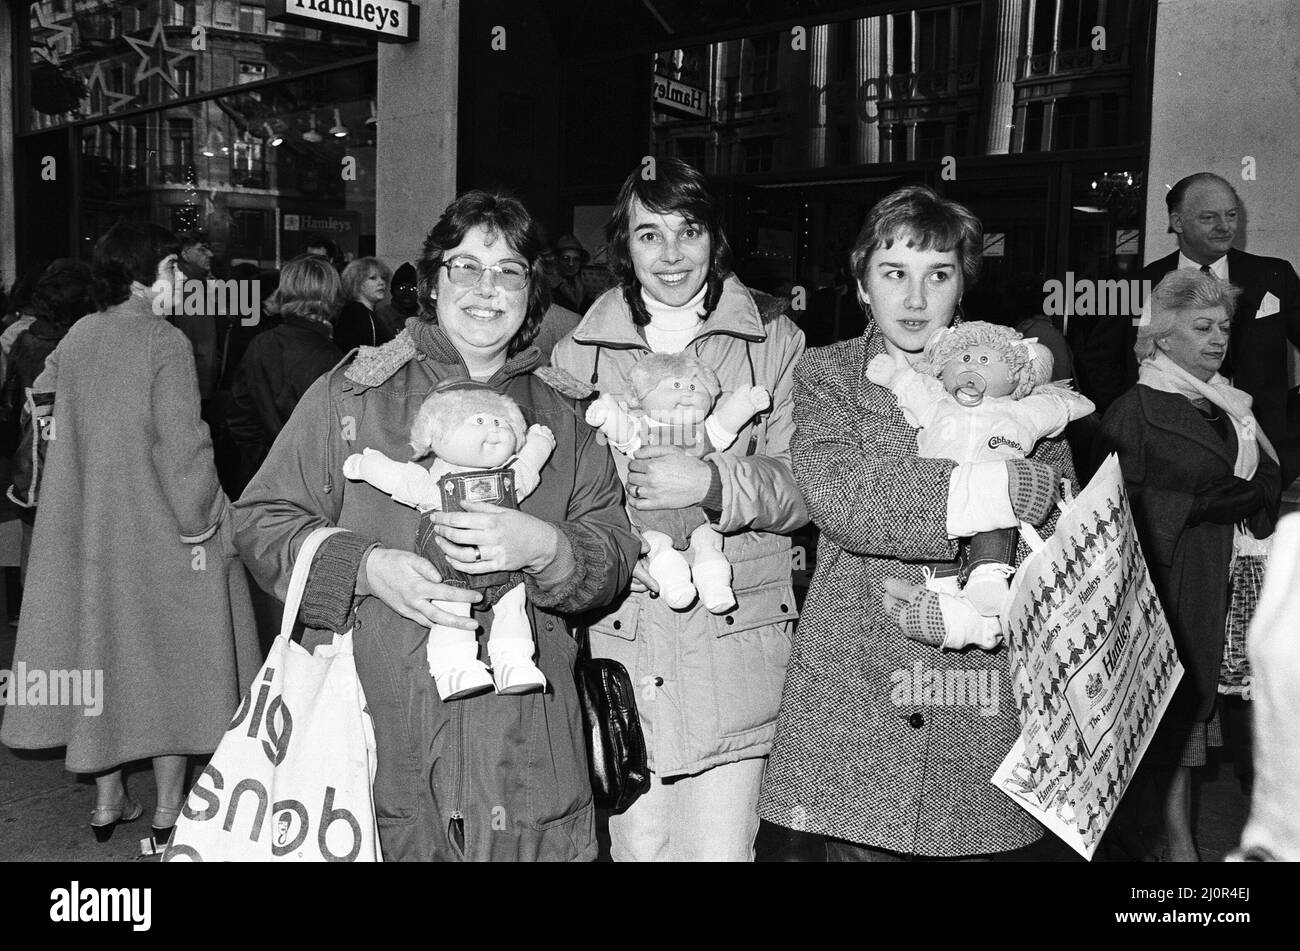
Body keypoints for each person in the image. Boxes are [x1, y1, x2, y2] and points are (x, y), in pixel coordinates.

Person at [232, 190, 638, 861]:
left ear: (531, 287)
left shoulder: (568, 413)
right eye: (465, 267)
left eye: (509, 270)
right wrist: (364, 567)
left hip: (532, 762)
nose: (487, 289)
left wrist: (550, 551)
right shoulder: (354, 395)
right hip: (382, 756)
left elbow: (616, 548)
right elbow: (261, 520)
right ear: (431, 279)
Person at [758, 184, 1076, 860]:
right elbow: (845, 499)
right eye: (893, 273)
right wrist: (998, 490)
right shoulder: (829, 373)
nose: (914, 298)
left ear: (963, 286)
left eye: (939, 274)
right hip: (848, 705)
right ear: (862, 282)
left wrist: (1018, 500)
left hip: (976, 702)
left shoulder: (1017, 381)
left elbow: (1056, 505)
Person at [551, 158, 808, 861]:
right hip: (625, 638)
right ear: (623, 246)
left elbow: (801, 490)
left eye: (688, 231)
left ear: (714, 238)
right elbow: (567, 499)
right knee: (642, 849)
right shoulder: (578, 351)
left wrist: (710, 482)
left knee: (722, 852)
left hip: (735, 640)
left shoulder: (773, 339)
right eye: (648, 234)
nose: (670, 255)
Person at [0, 221, 261, 845]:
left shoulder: (81, 334)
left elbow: (43, 397)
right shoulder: (162, 342)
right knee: (178, 664)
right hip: (163, 530)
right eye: (176, 270)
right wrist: (206, 522)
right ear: (151, 272)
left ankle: (107, 802)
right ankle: (170, 809)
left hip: (93, 532)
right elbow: (184, 446)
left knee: (107, 656)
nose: (185, 286)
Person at [1096, 270, 1280, 861]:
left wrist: (1259, 492)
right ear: (1162, 338)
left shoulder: (1230, 405)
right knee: (1167, 719)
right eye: (1201, 327)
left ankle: (1172, 844)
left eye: (1223, 327)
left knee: (1198, 723)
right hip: (1171, 583)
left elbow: (1267, 471)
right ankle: (1172, 848)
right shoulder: (1134, 411)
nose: (1217, 338)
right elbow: (1109, 509)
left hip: (1226, 582)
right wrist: (1193, 505)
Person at [1086, 173, 1300, 484]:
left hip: (1262, 454)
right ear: (1178, 222)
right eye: (1208, 217)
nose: (1224, 227)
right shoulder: (1137, 286)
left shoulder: (1273, 275)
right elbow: (1098, 360)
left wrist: (1292, 422)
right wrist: (1140, 415)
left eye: (1231, 215)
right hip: (1170, 462)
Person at [226, 254, 343, 492]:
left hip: (260, 477)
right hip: (309, 485)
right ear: (330, 294)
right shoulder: (331, 356)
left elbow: (239, 414)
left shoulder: (260, 342)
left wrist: (263, 458)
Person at [335, 256, 394, 354]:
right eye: (373, 278)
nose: (381, 283)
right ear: (356, 282)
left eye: (383, 278)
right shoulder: (357, 314)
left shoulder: (360, 312)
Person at [550, 234, 592, 314]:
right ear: (557, 260)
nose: (571, 264)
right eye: (566, 258)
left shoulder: (581, 287)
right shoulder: (551, 289)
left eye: (576, 259)